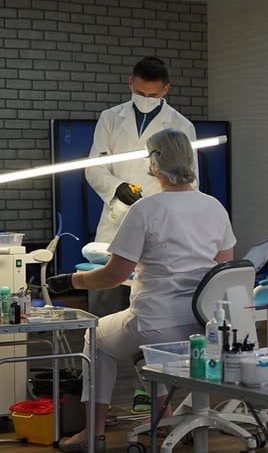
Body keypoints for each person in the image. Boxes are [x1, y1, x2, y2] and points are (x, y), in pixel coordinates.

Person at [47, 129, 235, 452]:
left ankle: (93, 433)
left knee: (96, 337)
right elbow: (222, 270)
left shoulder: (146, 210)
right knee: (142, 345)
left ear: (154, 165)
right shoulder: (214, 207)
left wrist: (72, 282)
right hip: (201, 327)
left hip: (153, 325)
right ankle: (166, 417)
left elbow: (112, 275)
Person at [85, 56, 198, 318]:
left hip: (158, 226)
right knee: (105, 305)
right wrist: (117, 188)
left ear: (165, 90)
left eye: (152, 94)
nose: (145, 98)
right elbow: (94, 166)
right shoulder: (110, 118)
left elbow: (190, 180)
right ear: (130, 83)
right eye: (139, 92)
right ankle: (99, 355)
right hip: (116, 221)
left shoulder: (182, 126)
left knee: (150, 308)